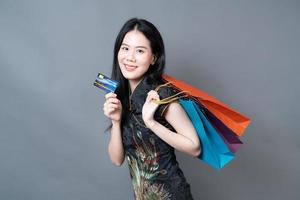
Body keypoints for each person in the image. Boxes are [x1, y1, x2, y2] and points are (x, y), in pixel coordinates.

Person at [103, 18, 201, 200]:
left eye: (140, 51)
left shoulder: (160, 95)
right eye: (125, 48)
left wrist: (151, 123)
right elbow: (117, 160)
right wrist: (116, 122)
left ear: (153, 57)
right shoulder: (122, 97)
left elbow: (194, 147)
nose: (130, 57)